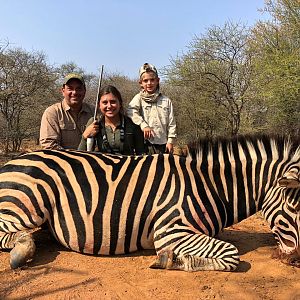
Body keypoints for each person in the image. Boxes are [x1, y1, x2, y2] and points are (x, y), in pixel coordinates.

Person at [78, 85, 145, 155]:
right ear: (99, 105)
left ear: (120, 104)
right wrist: (85, 136)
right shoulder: (94, 122)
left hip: (127, 164)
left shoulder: (131, 123)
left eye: (113, 102)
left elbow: (141, 153)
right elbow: (80, 155)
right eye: (105, 103)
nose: (109, 106)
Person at [127, 63, 177, 154]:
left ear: (157, 81)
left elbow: (171, 123)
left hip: (163, 145)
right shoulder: (138, 98)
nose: (149, 83)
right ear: (141, 83)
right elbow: (131, 111)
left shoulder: (166, 101)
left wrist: (170, 141)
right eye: (145, 81)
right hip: (144, 145)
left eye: (152, 80)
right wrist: (143, 125)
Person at [39, 73, 94, 149]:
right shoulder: (52, 112)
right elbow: (49, 145)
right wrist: (73, 159)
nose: (74, 92)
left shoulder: (94, 112)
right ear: (63, 91)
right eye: (70, 88)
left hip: (91, 159)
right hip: (62, 160)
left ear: (84, 91)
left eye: (79, 88)